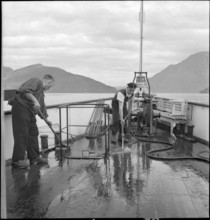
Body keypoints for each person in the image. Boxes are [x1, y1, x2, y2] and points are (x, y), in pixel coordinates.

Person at [10, 74, 55, 168]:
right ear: (49, 81)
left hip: (30, 113)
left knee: (33, 133)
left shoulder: (41, 94)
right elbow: (25, 92)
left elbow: (41, 108)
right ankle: (17, 161)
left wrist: (47, 120)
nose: (49, 88)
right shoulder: (36, 81)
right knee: (22, 134)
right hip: (21, 108)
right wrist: (35, 100)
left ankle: (34, 158)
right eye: (50, 86)